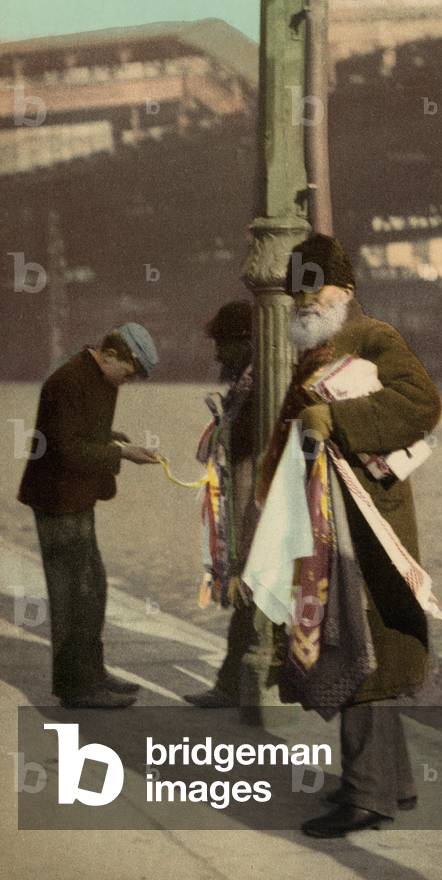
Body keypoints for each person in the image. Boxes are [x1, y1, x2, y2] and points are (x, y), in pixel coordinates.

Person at [257, 234, 442, 838]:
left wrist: (336, 417)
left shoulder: (375, 337)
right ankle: (392, 783)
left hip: (367, 528)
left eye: (316, 289)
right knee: (366, 651)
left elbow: (421, 404)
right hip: (334, 522)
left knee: (361, 651)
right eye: (298, 293)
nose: (305, 301)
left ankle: (368, 796)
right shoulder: (322, 346)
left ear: (347, 288)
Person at [18, 323, 160, 709]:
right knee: (72, 593)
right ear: (110, 355)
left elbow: (83, 432)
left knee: (93, 586)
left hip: (76, 496)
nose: (129, 381)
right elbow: (66, 449)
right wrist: (120, 453)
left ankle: (92, 672)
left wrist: (114, 439)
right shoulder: (67, 381)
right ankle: (76, 687)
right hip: (57, 499)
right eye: (129, 373)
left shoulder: (96, 377)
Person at [184, 301, 260, 708]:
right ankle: (234, 682)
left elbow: (247, 441)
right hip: (246, 506)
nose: (216, 355)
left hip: (255, 510)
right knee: (249, 592)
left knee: (250, 591)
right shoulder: (252, 380)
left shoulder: (257, 384)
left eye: (222, 345)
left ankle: (232, 684)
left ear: (244, 342)